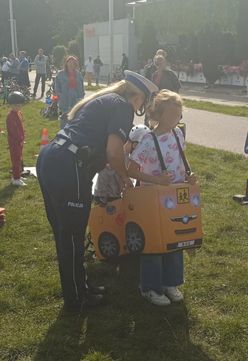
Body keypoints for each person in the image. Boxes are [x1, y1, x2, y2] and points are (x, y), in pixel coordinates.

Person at [36, 70, 158, 312]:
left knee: (64, 233)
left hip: (52, 157)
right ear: (140, 97)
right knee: (72, 236)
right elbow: (114, 152)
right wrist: (125, 178)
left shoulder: (104, 100)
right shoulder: (123, 107)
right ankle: (76, 299)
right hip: (70, 165)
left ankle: (79, 287)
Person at [128, 90, 197, 306]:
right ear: (158, 114)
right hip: (153, 197)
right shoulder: (148, 140)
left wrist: (189, 175)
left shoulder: (177, 134)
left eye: (179, 115)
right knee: (155, 240)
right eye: (172, 114)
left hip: (176, 196)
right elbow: (131, 170)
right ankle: (149, 286)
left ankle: (170, 282)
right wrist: (156, 180)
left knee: (175, 237)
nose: (177, 119)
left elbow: (180, 159)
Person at [94, 124, 150, 205]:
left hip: (115, 197)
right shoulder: (118, 155)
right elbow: (105, 175)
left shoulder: (128, 157)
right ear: (135, 144)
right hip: (105, 198)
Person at [55, 55, 85, 129]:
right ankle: (63, 131)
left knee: (75, 114)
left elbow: (81, 85)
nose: (71, 64)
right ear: (66, 63)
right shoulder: (61, 74)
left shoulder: (78, 74)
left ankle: (73, 131)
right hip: (65, 97)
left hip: (76, 96)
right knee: (65, 115)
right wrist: (59, 94)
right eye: (69, 62)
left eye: (73, 62)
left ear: (75, 64)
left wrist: (82, 96)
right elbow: (56, 84)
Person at [6, 91, 27, 186]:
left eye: (20, 105)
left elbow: (21, 126)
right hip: (15, 142)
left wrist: (22, 138)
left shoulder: (19, 113)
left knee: (19, 158)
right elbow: (14, 131)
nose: (19, 107)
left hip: (19, 141)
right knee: (16, 159)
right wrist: (19, 139)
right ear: (11, 105)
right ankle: (16, 179)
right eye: (17, 105)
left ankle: (17, 174)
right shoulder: (10, 116)